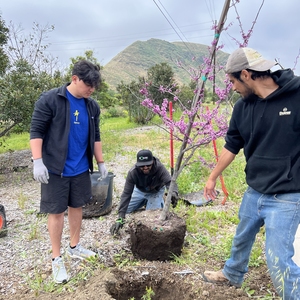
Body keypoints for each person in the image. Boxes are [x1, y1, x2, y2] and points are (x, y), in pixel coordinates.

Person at [202, 47, 300, 299]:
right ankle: (232, 273)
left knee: (278, 259)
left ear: (246, 74)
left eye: (233, 81)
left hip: (287, 196)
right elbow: (232, 146)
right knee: (243, 236)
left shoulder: (297, 95)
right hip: (255, 189)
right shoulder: (243, 107)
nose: (232, 87)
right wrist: (212, 177)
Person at [30, 60, 108, 284]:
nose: (91, 89)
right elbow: (36, 131)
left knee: (77, 206)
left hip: (81, 168)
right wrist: (38, 161)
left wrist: (100, 162)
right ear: (74, 79)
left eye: (94, 85)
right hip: (56, 169)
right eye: (88, 84)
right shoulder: (51, 100)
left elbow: (96, 135)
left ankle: (75, 246)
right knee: (55, 212)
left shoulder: (91, 106)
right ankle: (56, 258)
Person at [110, 149, 179, 235]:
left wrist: (174, 193)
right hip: (140, 191)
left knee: (151, 217)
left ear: (153, 162)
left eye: (148, 165)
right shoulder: (133, 172)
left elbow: (169, 182)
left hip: (155, 191)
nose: (145, 167)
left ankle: (160, 200)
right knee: (124, 209)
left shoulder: (159, 168)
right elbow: (126, 194)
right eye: (142, 166)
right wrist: (120, 218)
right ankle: (145, 201)